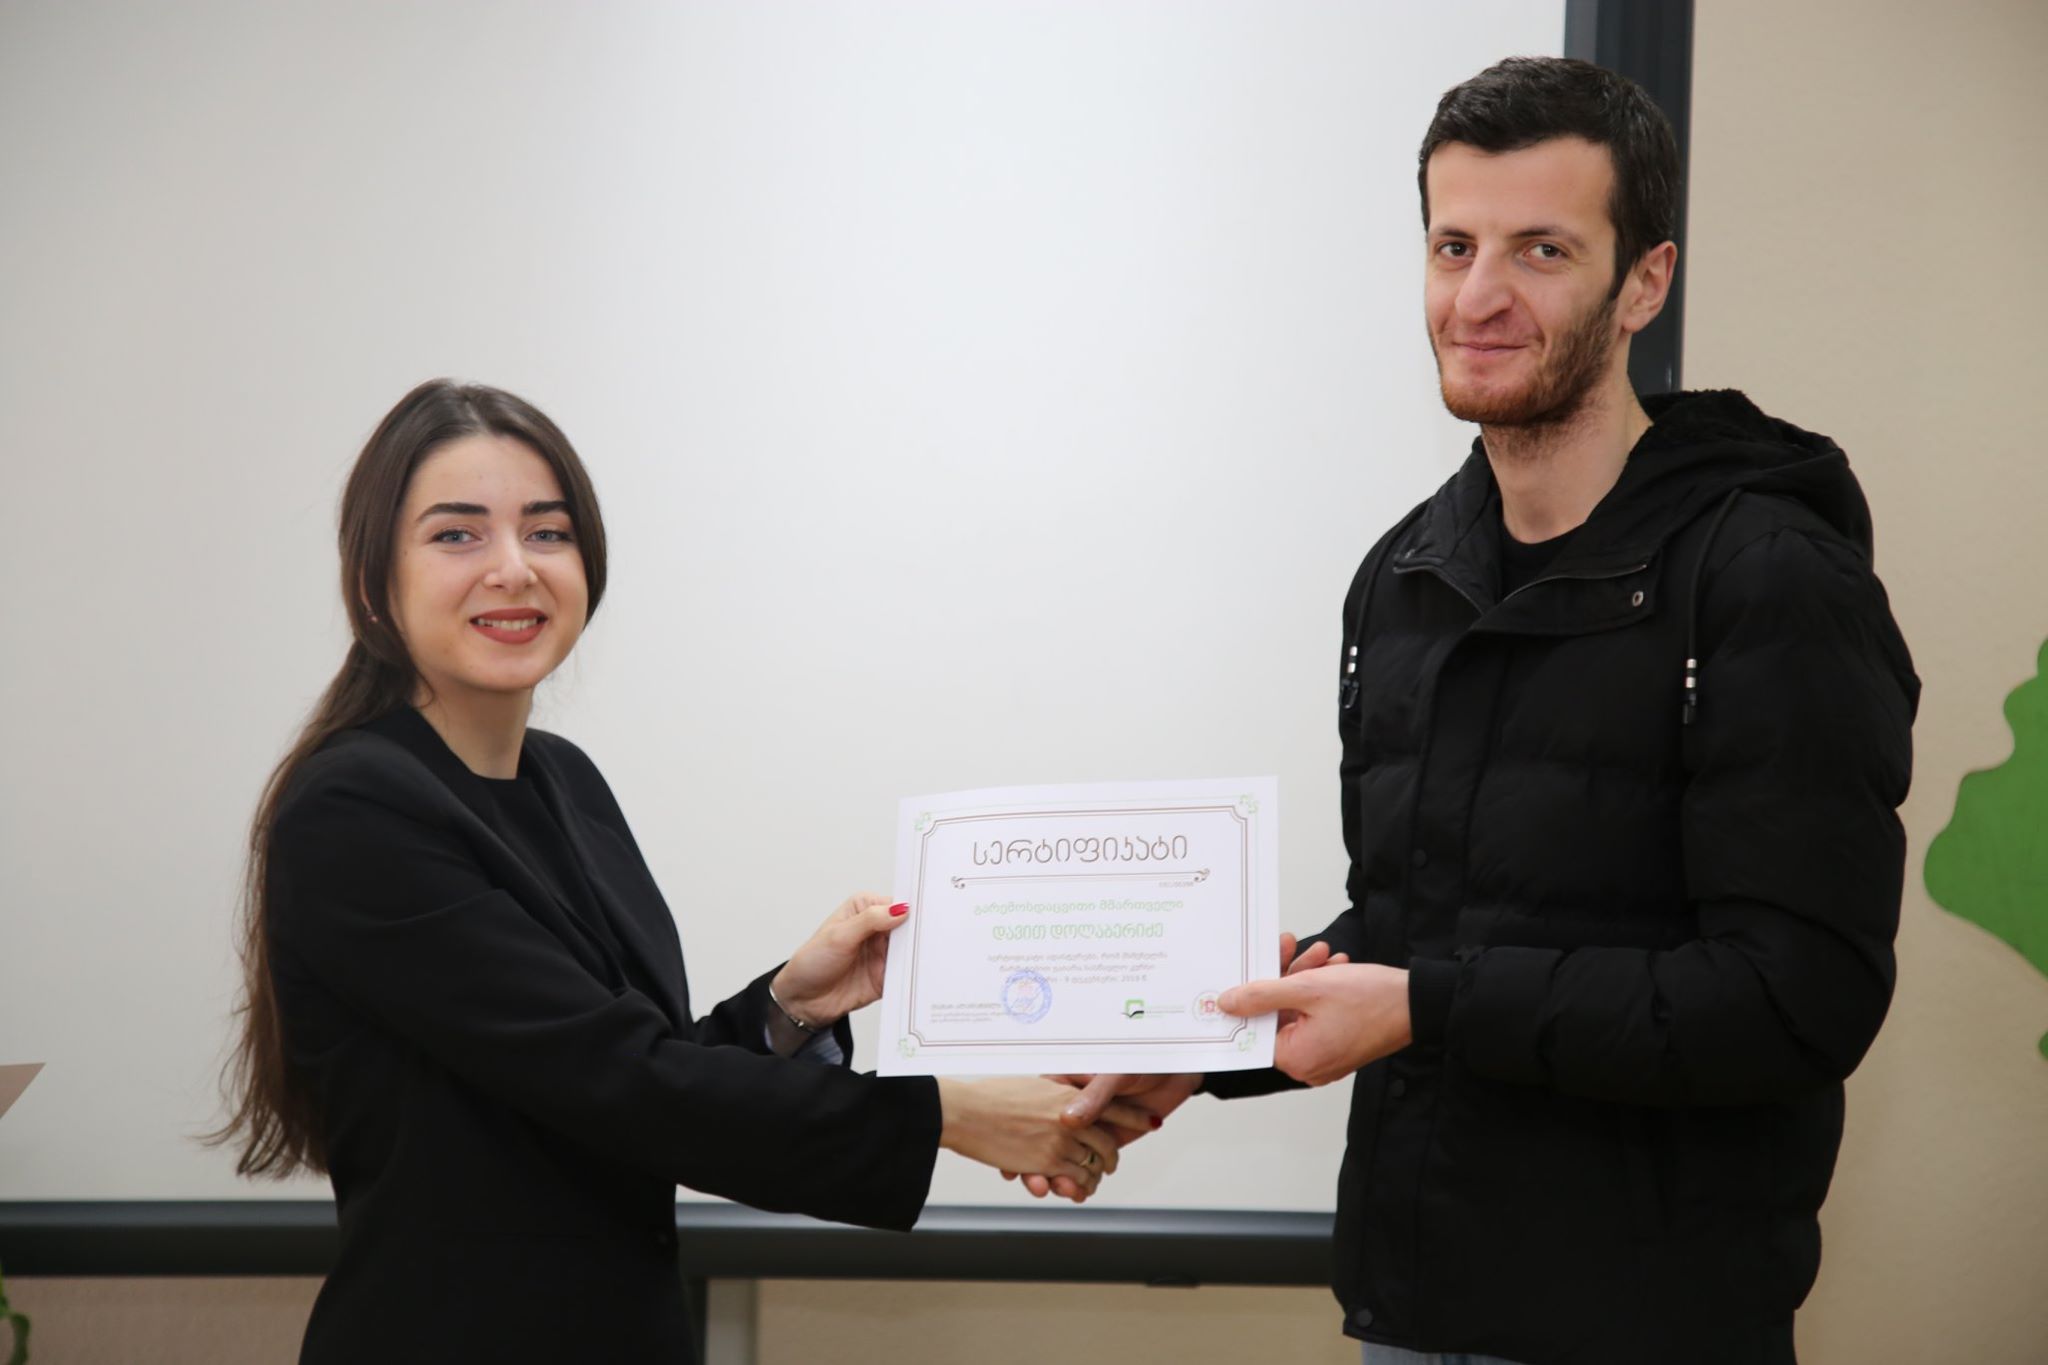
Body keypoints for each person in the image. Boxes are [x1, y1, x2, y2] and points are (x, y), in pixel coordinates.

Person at [1055, 57, 1919, 1365]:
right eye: (1452, 246)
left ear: (1644, 283)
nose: (1478, 298)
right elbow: (1420, 932)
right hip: (1415, 1311)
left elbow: (1797, 1000)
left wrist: (1427, 1004)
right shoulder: (1406, 575)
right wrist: (1213, 1038)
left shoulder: (1767, 577)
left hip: (1649, 1327)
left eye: (1541, 251)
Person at [211, 379, 1144, 1365]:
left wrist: (789, 1007)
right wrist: (951, 1115)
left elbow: (622, 1078)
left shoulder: (564, 780)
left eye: (547, 531)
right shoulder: (355, 810)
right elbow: (625, 1084)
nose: (513, 568)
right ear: (371, 583)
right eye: (457, 534)